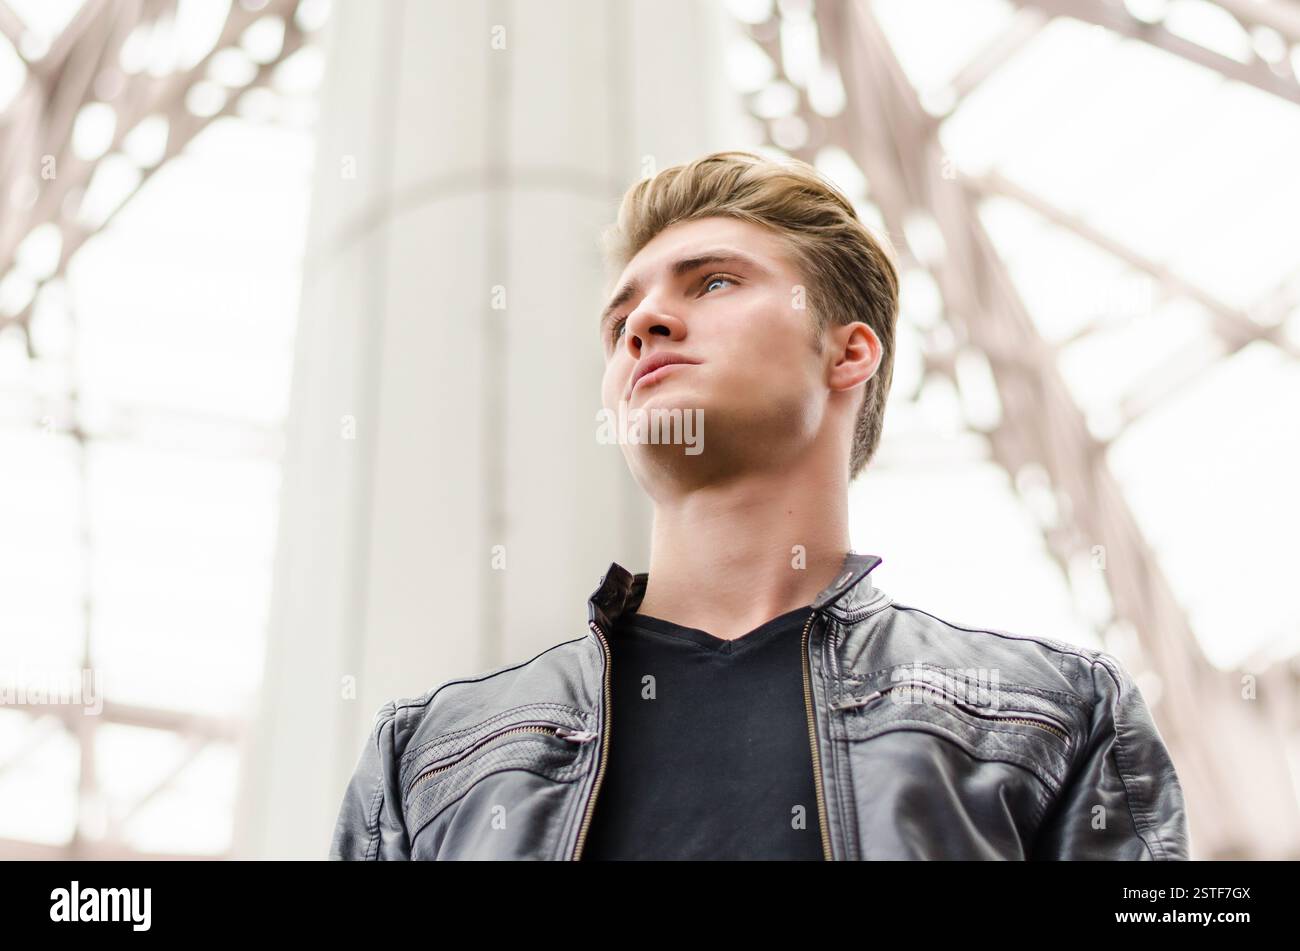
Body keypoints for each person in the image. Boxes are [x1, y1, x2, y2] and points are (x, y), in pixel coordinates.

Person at [329, 150, 1190, 860]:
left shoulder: (1057, 717)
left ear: (848, 353)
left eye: (710, 284)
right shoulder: (428, 760)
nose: (644, 325)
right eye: (620, 317)